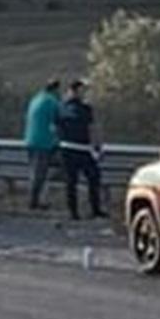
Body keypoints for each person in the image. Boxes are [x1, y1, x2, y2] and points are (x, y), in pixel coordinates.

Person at [56, 78, 106, 220]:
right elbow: (92, 129)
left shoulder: (62, 106)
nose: (84, 93)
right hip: (76, 148)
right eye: (82, 90)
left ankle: (81, 211)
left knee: (78, 181)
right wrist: (98, 146)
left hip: (74, 148)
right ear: (75, 90)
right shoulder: (82, 108)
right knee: (84, 180)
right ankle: (84, 211)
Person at [23, 78, 62, 211]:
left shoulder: (36, 99)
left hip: (30, 140)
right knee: (40, 173)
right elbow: (60, 120)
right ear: (56, 89)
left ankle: (37, 199)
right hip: (44, 142)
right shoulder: (52, 101)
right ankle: (33, 202)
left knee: (36, 172)